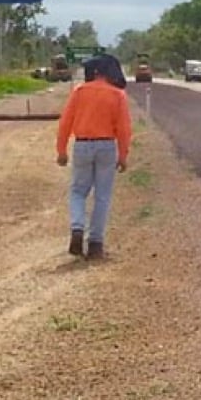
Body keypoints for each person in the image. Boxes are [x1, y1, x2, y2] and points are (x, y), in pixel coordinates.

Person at [55, 53, 132, 259]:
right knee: (102, 196)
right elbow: (124, 129)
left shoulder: (79, 92)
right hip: (107, 146)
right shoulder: (118, 95)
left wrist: (61, 150)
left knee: (78, 191)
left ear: (95, 71)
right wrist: (123, 155)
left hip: (82, 145)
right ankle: (96, 244)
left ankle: (77, 228)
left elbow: (65, 123)